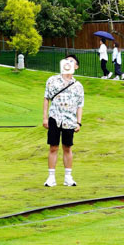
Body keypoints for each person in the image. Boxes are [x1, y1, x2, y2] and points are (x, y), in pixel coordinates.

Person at [43, 54, 84, 187]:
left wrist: (78, 122)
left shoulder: (78, 86)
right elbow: (46, 99)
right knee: (53, 147)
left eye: (72, 62)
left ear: (76, 66)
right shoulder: (52, 80)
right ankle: (51, 177)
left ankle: (68, 177)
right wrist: (45, 118)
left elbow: (80, 105)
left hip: (69, 119)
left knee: (67, 147)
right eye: (66, 61)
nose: (68, 63)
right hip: (55, 117)